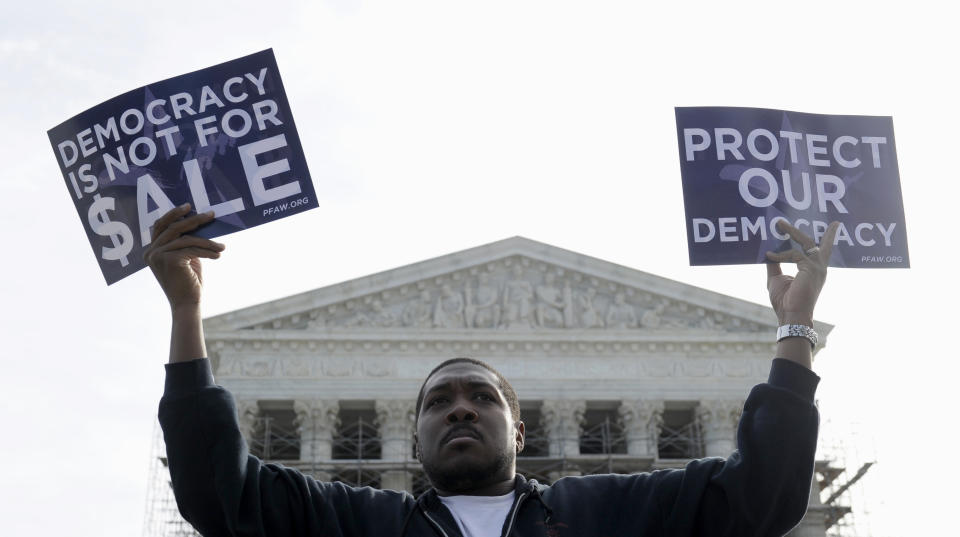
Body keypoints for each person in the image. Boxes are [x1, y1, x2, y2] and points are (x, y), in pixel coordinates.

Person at [148, 203, 838, 537]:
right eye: (438, 399)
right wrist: (187, 310)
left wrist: (793, 327)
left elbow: (761, 496)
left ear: (520, 428)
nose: (461, 407)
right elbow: (220, 494)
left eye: (482, 395)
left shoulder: (599, 512)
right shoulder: (363, 522)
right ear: (413, 438)